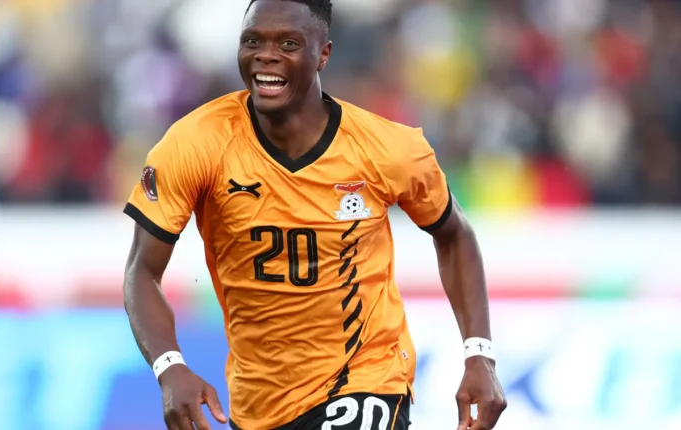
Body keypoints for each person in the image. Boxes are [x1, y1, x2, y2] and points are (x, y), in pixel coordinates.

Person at [122, 0, 507, 429]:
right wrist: (170, 366)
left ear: (323, 54)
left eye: (288, 43)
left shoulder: (387, 149)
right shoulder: (195, 144)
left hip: (367, 380)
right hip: (258, 404)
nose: (266, 56)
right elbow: (142, 271)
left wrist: (479, 353)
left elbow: (454, 234)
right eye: (252, 41)